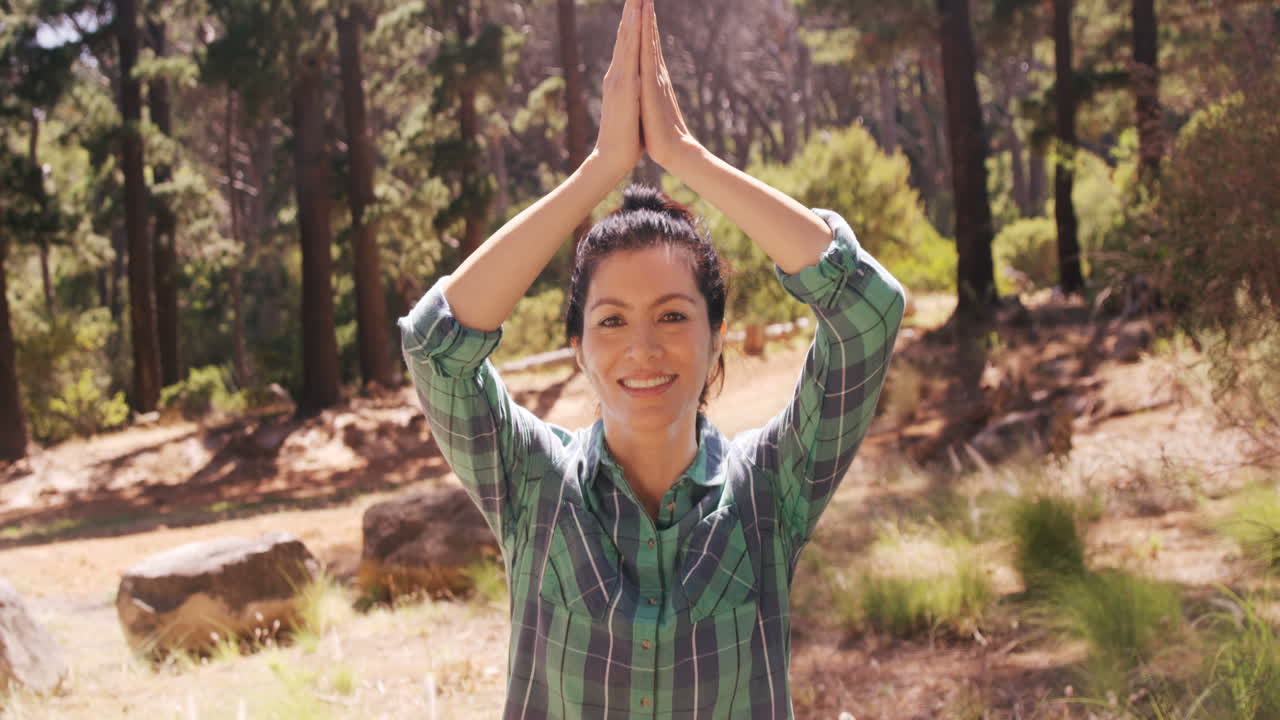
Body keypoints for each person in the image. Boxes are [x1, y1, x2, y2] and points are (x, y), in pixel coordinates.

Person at [398, 0, 905, 716]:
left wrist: (688, 159)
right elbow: (435, 347)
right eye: (611, 321)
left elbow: (867, 312)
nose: (643, 347)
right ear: (577, 348)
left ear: (716, 335)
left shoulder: (769, 493)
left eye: (672, 315)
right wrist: (600, 170)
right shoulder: (532, 486)